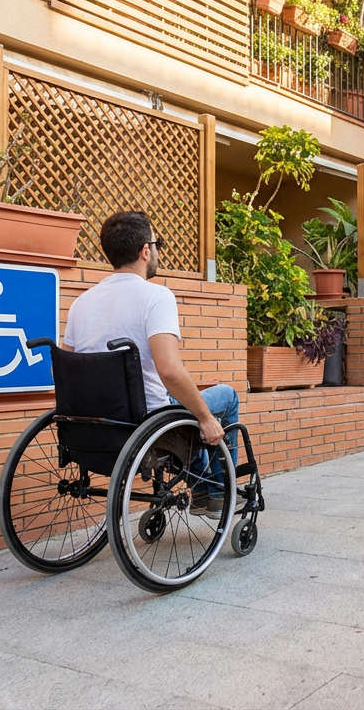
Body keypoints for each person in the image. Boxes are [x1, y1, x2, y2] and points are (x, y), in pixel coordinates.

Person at [61, 210, 238, 518]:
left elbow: (69, 367)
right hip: (146, 422)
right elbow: (168, 370)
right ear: (145, 250)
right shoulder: (156, 297)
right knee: (225, 397)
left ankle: (200, 487)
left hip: (91, 426)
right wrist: (206, 419)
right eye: (157, 244)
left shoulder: (82, 303)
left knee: (187, 403)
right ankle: (216, 493)